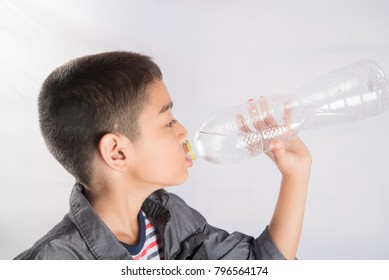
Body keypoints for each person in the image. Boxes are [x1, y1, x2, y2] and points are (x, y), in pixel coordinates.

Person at [15, 51, 312, 260]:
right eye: (168, 121)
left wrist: (296, 173)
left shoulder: (168, 216)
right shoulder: (54, 262)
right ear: (117, 152)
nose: (183, 131)